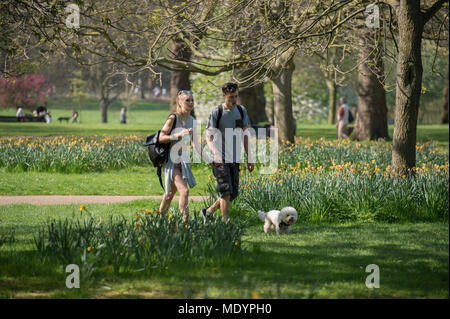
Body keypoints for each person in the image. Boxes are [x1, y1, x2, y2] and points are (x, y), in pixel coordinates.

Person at [202, 82, 255, 223]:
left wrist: (250, 157)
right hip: (220, 158)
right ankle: (225, 224)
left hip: (235, 158)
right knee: (226, 191)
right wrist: (215, 153)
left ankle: (208, 212)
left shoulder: (241, 110)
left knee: (233, 193)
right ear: (223, 96)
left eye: (236, 96)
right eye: (231, 97)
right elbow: (208, 137)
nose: (233, 100)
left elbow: (245, 135)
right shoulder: (217, 112)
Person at [157, 90, 202, 222]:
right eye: (187, 100)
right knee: (184, 191)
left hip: (184, 161)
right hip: (172, 160)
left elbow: (196, 144)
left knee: (170, 194)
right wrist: (177, 135)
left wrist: (211, 159)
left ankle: (159, 220)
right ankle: (185, 223)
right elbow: (160, 137)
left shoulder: (193, 121)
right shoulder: (173, 118)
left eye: (192, 100)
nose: (191, 102)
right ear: (180, 102)